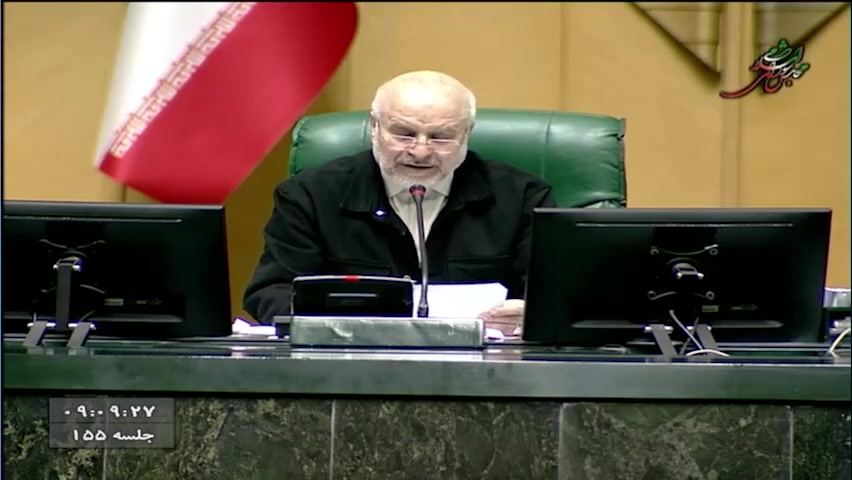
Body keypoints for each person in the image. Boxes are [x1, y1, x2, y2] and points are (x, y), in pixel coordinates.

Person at [243, 70, 556, 334]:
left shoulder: (523, 198)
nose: (420, 152)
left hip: (487, 369)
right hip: (350, 364)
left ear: (466, 134)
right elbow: (271, 293)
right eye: (404, 134)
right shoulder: (311, 195)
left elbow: (557, 299)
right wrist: (340, 321)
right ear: (375, 127)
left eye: (441, 137)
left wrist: (530, 315)